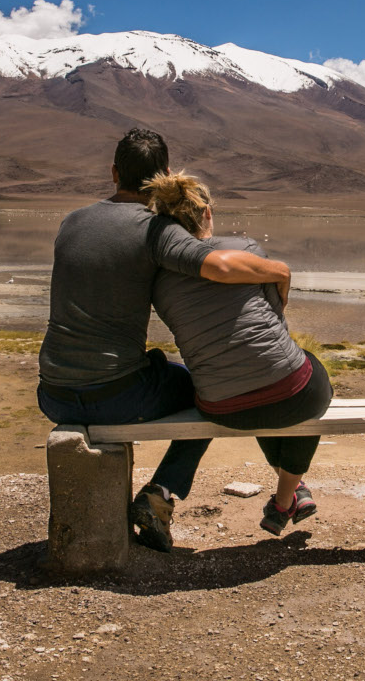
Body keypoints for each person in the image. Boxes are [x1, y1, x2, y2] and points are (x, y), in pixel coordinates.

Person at [36, 127, 291, 553]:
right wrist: (279, 272)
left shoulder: (72, 221)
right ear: (166, 174)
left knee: (182, 379)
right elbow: (219, 267)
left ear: (114, 172)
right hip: (114, 395)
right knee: (212, 393)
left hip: (53, 392)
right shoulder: (155, 231)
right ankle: (162, 495)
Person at [142, 171, 332, 536]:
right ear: (207, 214)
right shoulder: (244, 251)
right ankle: (286, 496)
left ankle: (292, 496)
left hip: (223, 408)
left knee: (254, 385)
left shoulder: (159, 281)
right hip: (290, 394)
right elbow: (275, 316)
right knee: (302, 380)